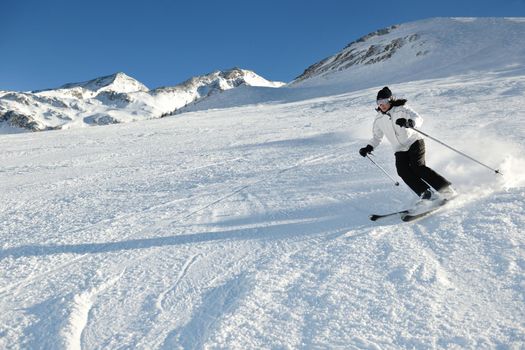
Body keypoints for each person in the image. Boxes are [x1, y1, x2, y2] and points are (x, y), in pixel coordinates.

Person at [359, 86, 455, 201]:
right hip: (399, 149)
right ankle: (426, 193)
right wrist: (369, 147)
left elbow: (418, 118)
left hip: (414, 141)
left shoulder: (401, 109)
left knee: (418, 167)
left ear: (390, 100)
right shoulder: (379, 119)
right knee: (402, 171)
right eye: (378, 102)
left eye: (384, 101)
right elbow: (376, 137)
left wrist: (410, 122)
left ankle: (446, 190)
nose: (381, 105)